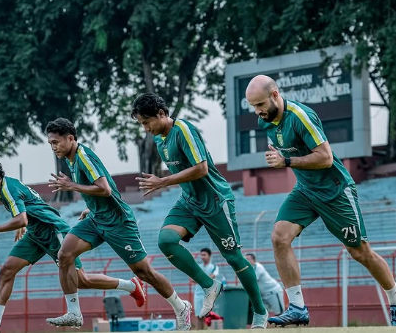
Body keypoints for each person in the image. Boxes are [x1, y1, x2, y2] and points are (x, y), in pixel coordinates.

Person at [245, 74, 396, 327]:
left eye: (260, 105)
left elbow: (325, 158)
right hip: (306, 190)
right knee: (279, 237)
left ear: (275, 95)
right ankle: (297, 307)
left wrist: (286, 161)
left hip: (335, 191)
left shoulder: (301, 115)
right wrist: (281, 157)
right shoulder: (266, 121)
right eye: (253, 106)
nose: (257, 112)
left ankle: (394, 300)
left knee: (360, 252)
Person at [131, 93, 268, 329]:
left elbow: (202, 168)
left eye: (146, 122)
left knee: (234, 258)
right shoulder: (159, 140)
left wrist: (163, 181)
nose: (145, 129)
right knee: (166, 240)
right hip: (190, 201)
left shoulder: (183, 130)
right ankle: (209, 285)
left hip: (216, 200)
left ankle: (259, 312)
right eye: (142, 124)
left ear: (162, 114)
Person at [45, 118, 191, 330]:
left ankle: (180, 306)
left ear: (70, 138)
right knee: (65, 255)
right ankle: (74, 313)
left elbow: (105, 189)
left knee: (144, 272)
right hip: (96, 218)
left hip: (118, 222)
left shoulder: (83, 157)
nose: (53, 147)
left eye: (56, 142)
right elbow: (99, 190)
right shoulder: (71, 159)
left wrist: (71, 186)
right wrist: (91, 205)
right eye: (50, 143)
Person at [0, 156, 145, 333]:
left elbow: (21, 218)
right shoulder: (4, 188)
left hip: (53, 230)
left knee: (81, 281)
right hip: (35, 234)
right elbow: (25, 214)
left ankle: (130, 285)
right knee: (7, 269)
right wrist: (22, 224)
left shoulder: (8, 188)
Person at [246, 253, 284, 319]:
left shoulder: (258, 267)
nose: (246, 261)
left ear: (253, 260)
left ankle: (285, 328)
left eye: (248, 259)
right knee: (260, 314)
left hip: (273, 292)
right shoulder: (248, 269)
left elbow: (252, 280)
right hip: (263, 295)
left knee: (280, 314)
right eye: (245, 259)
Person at [194, 248, 219, 329]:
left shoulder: (214, 267)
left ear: (209, 255)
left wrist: (199, 278)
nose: (202, 257)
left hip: (209, 294)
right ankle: (199, 330)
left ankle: (207, 330)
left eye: (204, 255)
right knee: (199, 315)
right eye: (201, 255)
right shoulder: (197, 267)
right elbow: (192, 279)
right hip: (198, 294)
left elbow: (210, 278)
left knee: (208, 314)